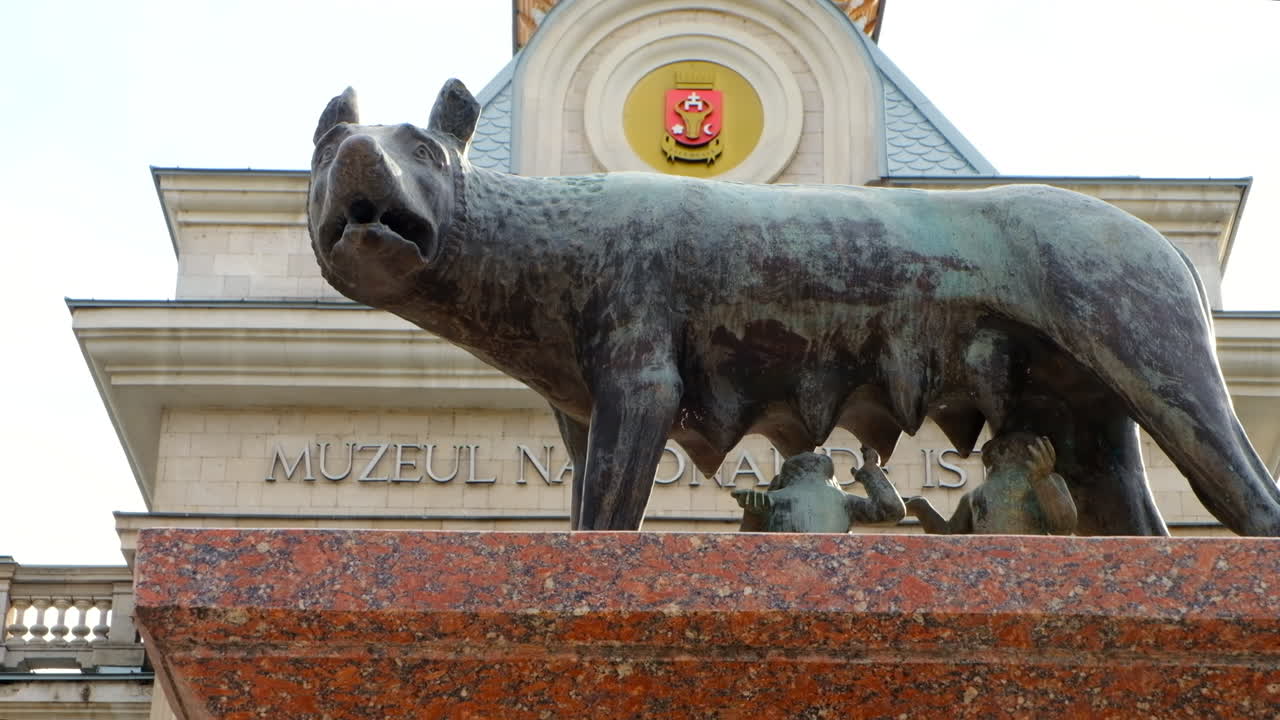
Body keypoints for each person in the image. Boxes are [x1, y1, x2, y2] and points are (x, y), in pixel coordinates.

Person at [904, 433, 1077, 535]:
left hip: (1033, 562)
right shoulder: (973, 496)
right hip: (987, 567)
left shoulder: (1047, 480)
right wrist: (922, 507)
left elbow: (1064, 526)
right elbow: (950, 540)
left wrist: (1042, 480)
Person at [734, 448, 905, 533]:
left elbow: (745, 552)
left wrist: (753, 515)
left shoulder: (774, 498)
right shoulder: (843, 500)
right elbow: (892, 510)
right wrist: (871, 471)